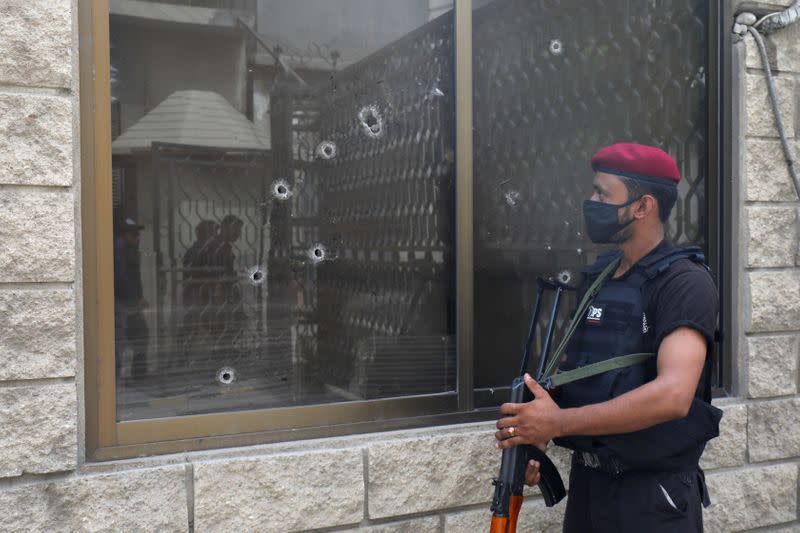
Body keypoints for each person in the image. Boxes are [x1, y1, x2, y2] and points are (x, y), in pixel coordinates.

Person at [494, 143, 720, 532]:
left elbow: (673, 395)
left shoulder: (684, 283)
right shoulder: (599, 278)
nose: (591, 201)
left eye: (602, 193)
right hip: (590, 491)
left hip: (651, 499)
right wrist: (536, 433)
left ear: (642, 206)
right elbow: (583, 374)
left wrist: (558, 423)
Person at [114, 217, 149, 381]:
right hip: (123, 302)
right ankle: (123, 375)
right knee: (123, 339)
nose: (137, 237)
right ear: (125, 235)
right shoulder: (120, 249)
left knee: (138, 335)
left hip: (129, 302)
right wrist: (135, 298)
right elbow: (121, 277)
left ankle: (137, 373)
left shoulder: (128, 249)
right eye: (134, 234)